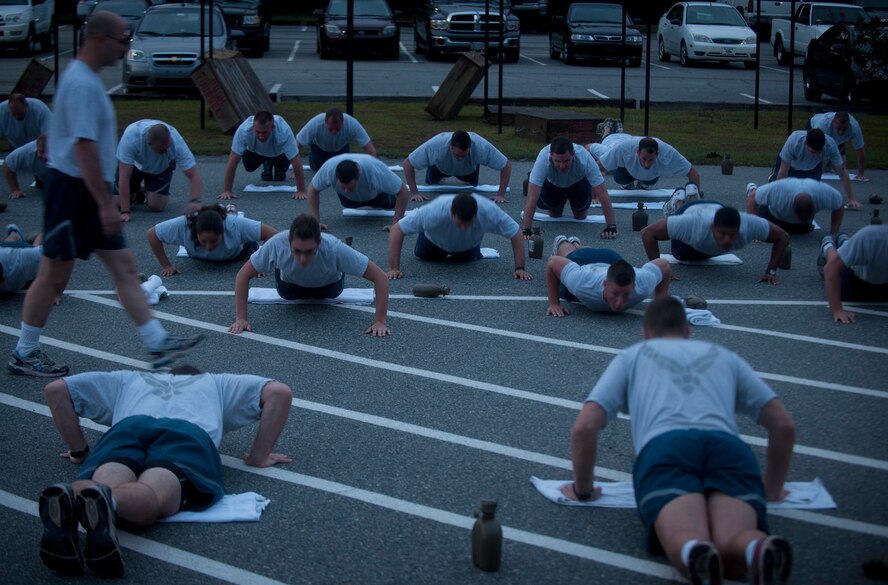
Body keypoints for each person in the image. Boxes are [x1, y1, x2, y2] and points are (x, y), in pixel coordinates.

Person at [6, 11, 204, 378]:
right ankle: (25, 352)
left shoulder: (85, 80)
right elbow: (83, 149)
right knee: (51, 273)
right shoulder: (81, 83)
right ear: (100, 39)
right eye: (122, 40)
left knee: (124, 266)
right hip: (74, 193)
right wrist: (105, 203)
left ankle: (158, 342)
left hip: (86, 192)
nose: (126, 47)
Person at [562, 296, 796, 585]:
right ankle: (755, 548)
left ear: (646, 333)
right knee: (734, 541)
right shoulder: (724, 356)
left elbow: (585, 427)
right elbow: (783, 426)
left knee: (684, 534)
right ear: (688, 331)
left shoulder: (634, 356)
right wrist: (771, 490)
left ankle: (693, 551)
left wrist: (583, 490)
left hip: (667, 449)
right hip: (727, 448)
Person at [37, 365, 293, 578]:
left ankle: (71, 496)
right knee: (154, 496)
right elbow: (279, 392)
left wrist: (80, 452)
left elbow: (56, 390)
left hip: (129, 427)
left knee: (103, 480)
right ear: (196, 374)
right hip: (185, 433)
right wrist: (258, 456)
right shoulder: (216, 382)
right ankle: (110, 502)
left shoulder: (130, 379)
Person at [229, 213, 391, 336]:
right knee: (279, 270)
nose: (303, 259)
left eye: (309, 252)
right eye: (297, 251)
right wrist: (241, 318)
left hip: (328, 289)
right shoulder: (277, 243)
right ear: (289, 241)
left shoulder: (333, 247)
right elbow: (243, 275)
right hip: (290, 290)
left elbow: (380, 277)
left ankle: (339, 265)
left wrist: (380, 321)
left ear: (319, 242)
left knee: (341, 262)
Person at [386, 192, 533, 281]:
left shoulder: (488, 211)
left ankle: (470, 252)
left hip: (467, 248)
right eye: (460, 223)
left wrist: (519, 268)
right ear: (451, 212)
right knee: (426, 257)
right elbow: (397, 230)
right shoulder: (434, 211)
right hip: (433, 244)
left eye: (468, 223)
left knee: (465, 261)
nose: (463, 228)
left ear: (476, 214)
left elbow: (515, 232)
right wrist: (394, 268)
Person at [641, 202, 789, 285]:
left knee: (706, 253)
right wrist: (659, 269)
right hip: (690, 212)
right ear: (712, 228)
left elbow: (783, 236)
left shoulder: (750, 225)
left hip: (718, 207)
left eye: (732, 235)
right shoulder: (692, 225)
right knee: (683, 256)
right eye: (722, 234)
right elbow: (647, 233)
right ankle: (676, 203)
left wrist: (771, 271)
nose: (727, 240)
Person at [545, 235, 670, 316]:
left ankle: (578, 244)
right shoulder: (582, 283)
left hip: (613, 260)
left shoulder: (643, 284)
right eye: (615, 294)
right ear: (605, 285)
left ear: (634, 286)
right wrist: (554, 303)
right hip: (585, 261)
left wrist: (659, 302)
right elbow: (553, 262)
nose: (619, 303)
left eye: (626, 295)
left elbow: (664, 265)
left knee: (588, 253)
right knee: (570, 257)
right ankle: (563, 242)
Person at [521, 136, 617, 240]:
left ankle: (539, 181)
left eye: (566, 161)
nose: (562, 166)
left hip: (578, 183)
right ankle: (534, 179)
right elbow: (532, 197)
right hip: (553, 184)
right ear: (551, 155)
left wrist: (611, 226)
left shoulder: (585, 159)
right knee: (554, 216)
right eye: (557, 161)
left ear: (573, 154)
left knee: (580, 217)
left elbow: (602, 193)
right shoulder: (543, 158)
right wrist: (526, 229)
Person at [146, 205, 278, 276]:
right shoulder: (183, 225)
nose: (208, 246)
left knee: (235, 220)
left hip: (240, 253)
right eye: (204, 241)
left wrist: (261, 264)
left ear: (223, 232)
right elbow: (152, 234)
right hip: (198, 256)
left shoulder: (233, 225)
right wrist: (166, 265)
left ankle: (229, 211)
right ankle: (224, 209)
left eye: (214, 241)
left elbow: (272, 234)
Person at [114, 120, 203, 220]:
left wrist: (195, 201)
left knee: (156, 206)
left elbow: (193, 174)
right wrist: (125, 211)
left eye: (167, 148)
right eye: (162, 150)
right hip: (135, 164)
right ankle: (137, 191)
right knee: (117, 203)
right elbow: (124, 177)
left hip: (162, 167)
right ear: (149, 143)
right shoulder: (131, 138)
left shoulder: (176, 141)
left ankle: (145, 191)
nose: (166, 152)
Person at [402, 130, 512, 203]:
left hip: (468, 171)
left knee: (473, 184)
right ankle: (436, 170)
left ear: (470, 147)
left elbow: (506, 165)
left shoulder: (480, 146)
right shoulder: (437, 145)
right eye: (457, 155)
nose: (460, 158)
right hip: (440, 169)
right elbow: (408, 163)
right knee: (431, 181)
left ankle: (470, 167)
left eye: (463, 155)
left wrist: (500, 194)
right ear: (450, 146)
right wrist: (414, 193)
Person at [307, 154, 409, 231]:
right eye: (344, 188)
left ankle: (384, 199)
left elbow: (403, 191)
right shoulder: (329, 169)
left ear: (358, 175)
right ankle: (351, 196)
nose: (347, 190)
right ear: (336, 177)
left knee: (391, 203)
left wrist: (396, 225)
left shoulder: (374, 169)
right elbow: (312, 189)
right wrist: (315, 222)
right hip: (349, 202)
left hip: (377, 197)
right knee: (347, 202)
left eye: (349, 187)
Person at [219, 111, 306, 200]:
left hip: (279, 154)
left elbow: (296, 160)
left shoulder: (283, 131)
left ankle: (273, 163)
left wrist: (301, 191)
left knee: (282, 171)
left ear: (272, 127)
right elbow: (232, 161)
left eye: (265, 132)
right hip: (255, 152)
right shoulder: (243, 130)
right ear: (253, 127)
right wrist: (227, 190)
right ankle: (267, 162)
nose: (261, 136)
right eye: (258, 132)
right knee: (249, 167)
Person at [769, 128, 858, 209]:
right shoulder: (794, 142)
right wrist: (779, 197)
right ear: (805, 142)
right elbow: (783, 173)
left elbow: (842, 173)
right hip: (791, 165)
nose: (815, 154)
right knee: (778, 190)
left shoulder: (830, 146)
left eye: (818, 152)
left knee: (810, 197)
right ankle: (772, 179)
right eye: (812, 152)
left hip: (813, 167)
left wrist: (851, 199)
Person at [820, 225, 888, 324]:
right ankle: (827, 246)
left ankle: (845, 242)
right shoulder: (870, 237)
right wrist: (837, 310)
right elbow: (830, 269)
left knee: (849, 249)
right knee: (834, 261)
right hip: (856, 284)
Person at [589, 133, 701, 193]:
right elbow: (595, 165)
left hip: (650, 175)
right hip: (616, 142)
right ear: (637, 152)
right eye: (644, 159)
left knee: (650, 180)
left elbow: (692, 172)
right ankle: (607, 130)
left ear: (657, 154)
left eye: (651, 159)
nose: (647, 164)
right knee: (620, 178)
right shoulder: (622, 150)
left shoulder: (668, 153)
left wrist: (695, 194)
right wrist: (594, 195)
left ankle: (643, 181)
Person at [744, 178, 844, 235]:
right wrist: (755, 230)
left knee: (799, 232)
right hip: (773, 217)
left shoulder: (823, 193)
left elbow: (839, 206)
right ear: (792, 207)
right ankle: (753, 189)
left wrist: (833, 235)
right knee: (768, 231)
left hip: (802, 226)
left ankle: (802, 224)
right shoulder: (779, 190)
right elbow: (751, 200)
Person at [296, 107, 377, 171]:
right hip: (320, 150)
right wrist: (296, 171)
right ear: (325, 122)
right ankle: (312, 158)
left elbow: (368, 146)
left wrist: (373, 169)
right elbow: (297, 144)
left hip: (341, 150)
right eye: (331, 129)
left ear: (343, 122)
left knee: (344, 169)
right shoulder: (317, 122)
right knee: (319, 168)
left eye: (337, 129)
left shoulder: (351, 123)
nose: (334, 132)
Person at [808, 111, 866, 181]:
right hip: (816, 132)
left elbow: (860, 150)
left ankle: (827, 165)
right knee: (820, 169)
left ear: (848, 124)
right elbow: (814, 147)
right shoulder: (822, 125)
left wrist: (861, 173)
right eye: (838, 129)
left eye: (844, 129)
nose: (841, 132)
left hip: (838, 141)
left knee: (841, 170)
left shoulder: (854, 128)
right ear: (833, 122)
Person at [0, 224, 42, 294]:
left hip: (16, 258)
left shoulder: (21, 261)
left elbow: (52, 257)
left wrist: (56, 291)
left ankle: (14, 234)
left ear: (2, 280)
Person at [3, 134, 48, 199]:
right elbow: (8, 163)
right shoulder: (28, 151)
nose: (45, 156)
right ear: (37, 148)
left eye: (49, 152)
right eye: (42, 152)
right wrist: (15, 190)